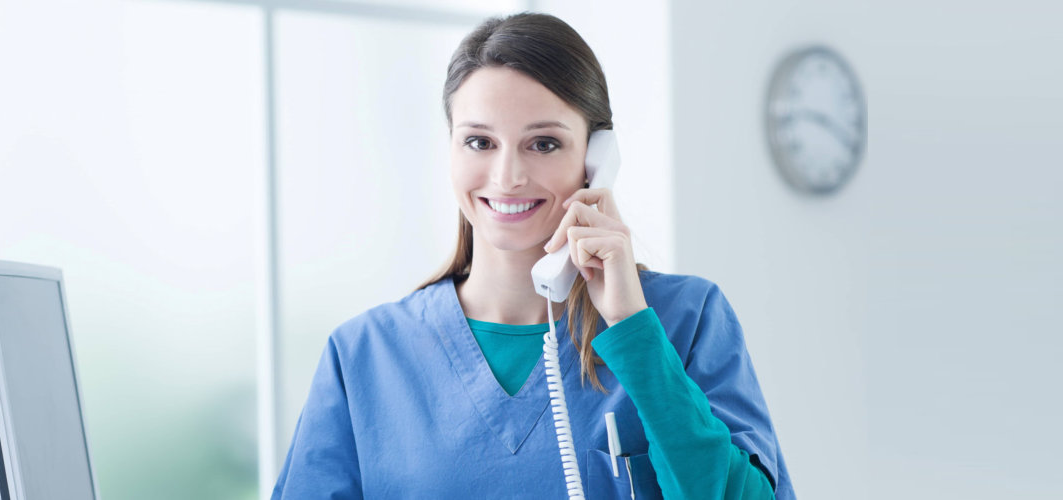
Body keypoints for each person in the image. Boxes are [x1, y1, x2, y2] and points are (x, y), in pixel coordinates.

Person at [273, 12, 792, 499]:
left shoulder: (686, 319)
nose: (507, 177)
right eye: (479, 142)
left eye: (543, 144)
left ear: (595, 158)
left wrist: (633, 330)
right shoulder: (364, 355)